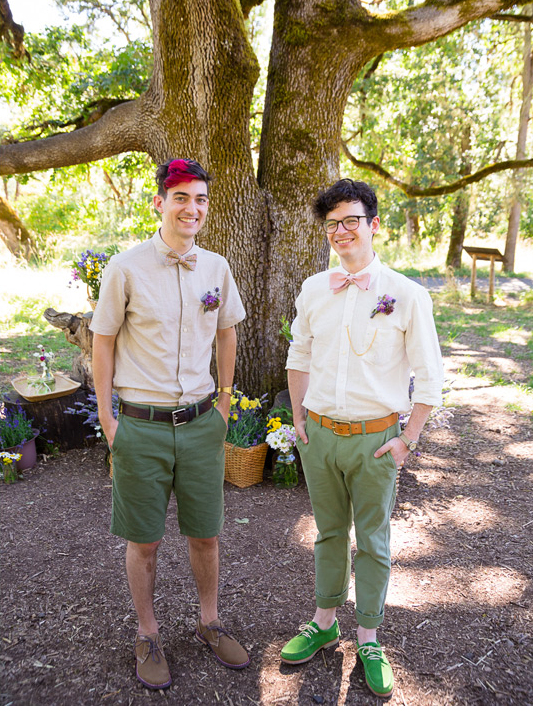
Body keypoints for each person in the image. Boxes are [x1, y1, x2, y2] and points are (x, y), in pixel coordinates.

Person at [90, 158, 249, 690]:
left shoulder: (217, 269)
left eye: (200, 199)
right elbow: (103, 341)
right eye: (181, 197)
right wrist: (108, 418)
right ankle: (148, 631)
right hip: (141, 425)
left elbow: (227, 332)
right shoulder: (126, 268)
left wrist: (225, 402)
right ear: (159, 202)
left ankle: (209, 622)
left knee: (206, 536)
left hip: (203, 422)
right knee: (146, 542)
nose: (192, 208)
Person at [281, 178, 443, 698]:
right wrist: (301, 422)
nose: (342, 231)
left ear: (374, 225)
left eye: (352, 220)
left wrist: (407, 440)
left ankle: (369, 639)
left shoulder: (408, 295)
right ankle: (324, 621)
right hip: (320, 437)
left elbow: (430, 377)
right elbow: (298, 357)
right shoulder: (312, 289)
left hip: (377, 441)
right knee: (328, 533)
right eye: (333, 223)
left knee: (372, 541)